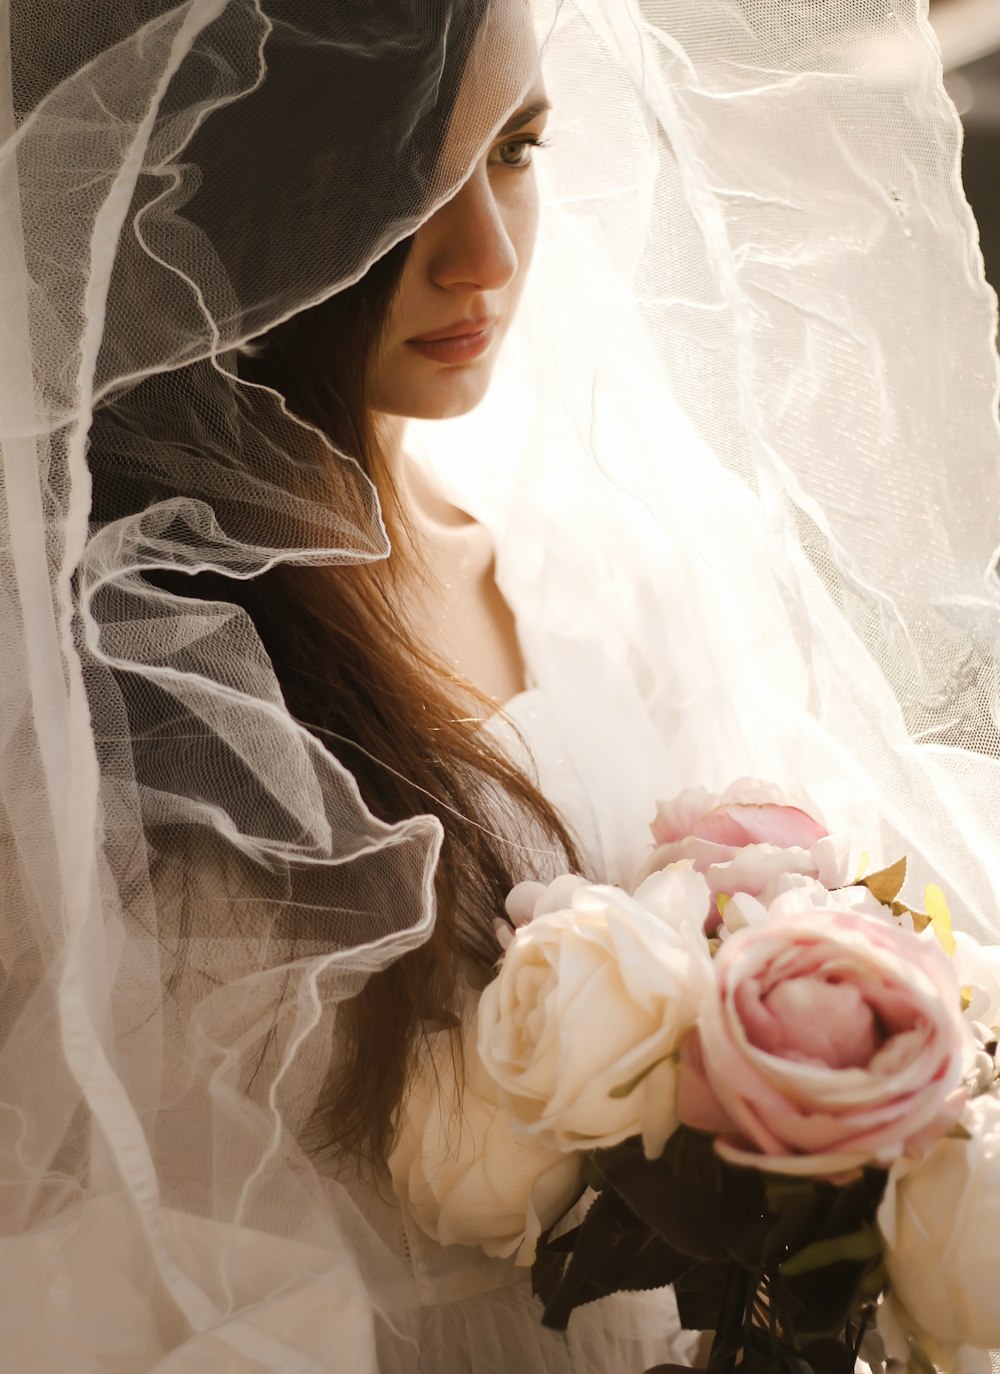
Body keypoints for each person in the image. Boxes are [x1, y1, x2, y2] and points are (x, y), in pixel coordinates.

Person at [2, 1, 1000, 1371]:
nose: (482, 257)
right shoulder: (132, 721)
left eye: (519, 150)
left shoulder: (612, 579)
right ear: (218, 207)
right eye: (404, 189)